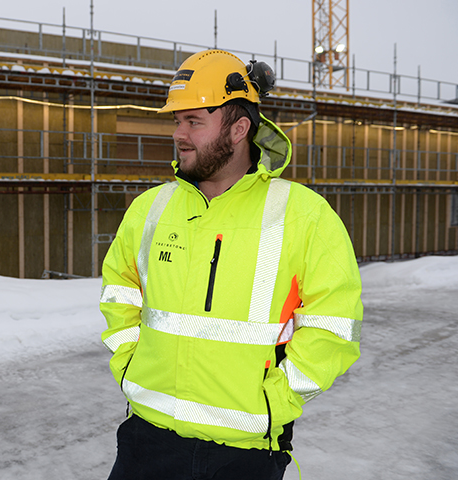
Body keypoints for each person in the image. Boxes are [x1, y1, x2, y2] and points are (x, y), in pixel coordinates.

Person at [99, 49, 362, 479]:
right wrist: (130, 365)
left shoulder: (304, 215)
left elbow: (334, 325)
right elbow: (119, 291)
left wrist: (274, 400)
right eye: (177, 121)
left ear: (239, 129)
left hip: (245, 454)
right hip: (147, 442)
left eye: (194, 121)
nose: (179, 134)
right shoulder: (150, 208)